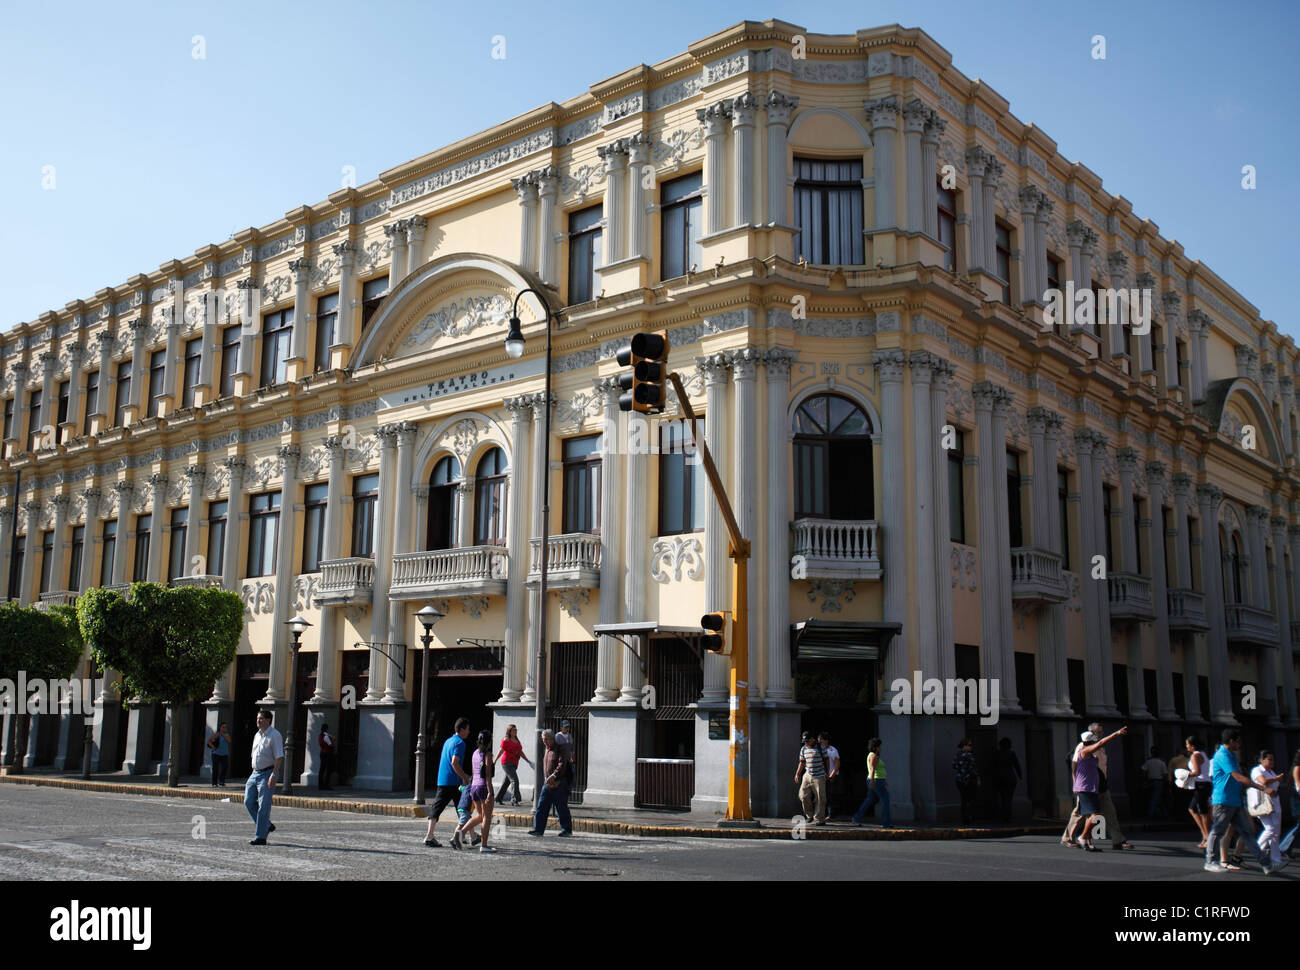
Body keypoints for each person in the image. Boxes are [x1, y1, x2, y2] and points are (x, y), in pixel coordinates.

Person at [1204, 728, 1280, 874]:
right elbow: (1238, 777)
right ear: (1231, 741)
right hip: (1223, 801)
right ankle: (1210, 861)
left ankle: (1266, 864)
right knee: (1217, 831)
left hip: (1234, 801)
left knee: (1247, 833)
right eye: (1238, 741)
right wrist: (1262, 788)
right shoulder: (1222, 755)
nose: (1240, 744)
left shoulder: (1231, 755)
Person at [1061, 722, 1133, 850]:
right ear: (1092, 734)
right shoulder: (1083, 747)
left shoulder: (1100, 748)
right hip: (1086, 786)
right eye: (1099, 732)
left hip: (1100, 784)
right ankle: (1069, 838)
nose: (1101, 734)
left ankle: (1117, 840)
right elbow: (1074, 765)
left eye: (1101, 732)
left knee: (1109, 811)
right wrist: (1075, 782)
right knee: (1081, 813)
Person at [423, 717, 472, 848]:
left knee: (437, 808)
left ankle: (429, 835)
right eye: (467, 729)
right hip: (453, 781)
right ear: (462, 729)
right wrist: (465, 777)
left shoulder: (448, 741)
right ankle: (463, 836)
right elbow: (455, 762)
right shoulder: (460, 743)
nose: (469, 732)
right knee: (464, 809)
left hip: (442, 779)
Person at [245, 710, 283, 846]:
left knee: (263, 806)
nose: (258, 721)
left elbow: (279, 756)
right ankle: (266, 824)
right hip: (255, 773)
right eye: (257, 718)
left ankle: (261, 837)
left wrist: (274, 774)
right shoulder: (257, 735)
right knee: (248, 801)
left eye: (261, 718)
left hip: (267, 773)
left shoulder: (274, 735)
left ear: (268, 720)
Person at [455, 730, 496, 853]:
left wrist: (472, 788)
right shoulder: (488, 754)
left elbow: (474, 773)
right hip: (484, 787)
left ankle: (461, 833)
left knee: (480, 815)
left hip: (474, 787)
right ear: (489, 741)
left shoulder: (475, 753)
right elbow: (487, 775)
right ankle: (484, 845)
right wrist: (490, 792)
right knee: (486, 818)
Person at [528, 729, 572, 838]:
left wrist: (554, 775)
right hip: (548, 784)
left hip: (559, 783)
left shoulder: (560, 749)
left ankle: (566, 830)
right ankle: (538, 829)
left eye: (546, 739)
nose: (544, 741)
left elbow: (562, 764)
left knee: (561, 807)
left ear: (552, 739)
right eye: (543, 739)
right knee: (542, 806)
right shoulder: (547, 749)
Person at [1249, 749, 1284, 870]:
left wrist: (1276, 779)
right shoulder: (1257, 770)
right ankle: (1257, 850)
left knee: (1276, 832)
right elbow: (1262, 781)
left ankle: (1276, 859)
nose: (1272, 762)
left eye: (1273, 759)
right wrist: (1276, 779)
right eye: (1269, 759)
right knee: (1270, 829)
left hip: (1274, 802)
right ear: (1261, 760)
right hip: (1262, 803)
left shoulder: (1272, 772)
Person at [851, 738, 890, 828]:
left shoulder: (872, 755)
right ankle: (886, 823)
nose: (881, 748)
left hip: (877, 780)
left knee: (870, 799)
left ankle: (857, 817)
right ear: (876, 747)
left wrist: (884, 781)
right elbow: (872, 768)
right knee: (885, 800)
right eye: (879, 746)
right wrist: (872, 780)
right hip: (876, 780)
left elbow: (877, 769)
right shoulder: (873, 756)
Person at [794, 732, 830, 825]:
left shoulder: (820, 747)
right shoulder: (803, 749)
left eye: (807, 741)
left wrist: (827, 772)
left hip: (819, 776)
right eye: (804, 741)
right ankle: (809, 815)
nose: (806, 743)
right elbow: (802, 762)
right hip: (807, 775)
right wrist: (797, 774)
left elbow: (826, 760)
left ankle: (819, 818)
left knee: (820, 798)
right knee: (803, 795)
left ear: (812, 739)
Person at [494, 723, 532, 806]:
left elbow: (520, 752)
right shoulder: (506, 740)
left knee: (506, 782)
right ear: (510, 731)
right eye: (514, 730)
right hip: (506, 763)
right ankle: (514, 800)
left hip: (514, 763)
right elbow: (501, 751)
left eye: (516, 730)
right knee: (515, 780)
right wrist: (495, 760)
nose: (515, 731)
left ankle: (498, 798)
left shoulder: (517, 741)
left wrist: (527, 760)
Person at [1185, 736, 1212, 849]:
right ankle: (1205, 834)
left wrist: (1185, 774)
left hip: (1201, 784)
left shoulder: (1195, 755)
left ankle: (1207, 836)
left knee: (1202, 812)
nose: (1186, 747)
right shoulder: (1203, 754)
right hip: (1204, 783)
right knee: (1193, 809)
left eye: (1187, 744)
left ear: (1192, 746)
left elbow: (1197, 772)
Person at [995, 737, 1022, 822]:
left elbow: (993, 765)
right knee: (1009, 798)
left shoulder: (998, 753)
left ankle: (1004, 815)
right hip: (1010, 777)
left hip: (1000, 777)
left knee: (1003, 797)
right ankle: (1007, 815)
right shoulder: (1011, 753)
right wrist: (1020, 775)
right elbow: (1016, 765)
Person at [952, 738, 979, 825]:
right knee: (969, 799)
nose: (971, 747)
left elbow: (954, 766)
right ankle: (968, 817)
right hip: (968, 779)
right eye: (969, 745)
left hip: (959, 779)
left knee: (963, 798)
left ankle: (964, 817)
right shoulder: (969, 755)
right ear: (964, 745)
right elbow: (972, 768)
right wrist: (977, 777)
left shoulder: (957, 755)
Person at [1281, 749, 1300, 858]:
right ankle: (1283, 847)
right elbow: (1298, 786)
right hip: (1298, 799)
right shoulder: (1297, 768)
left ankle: (1285, 848)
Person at [818, 732, 841, 821]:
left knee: (831, 796)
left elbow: (837, 764)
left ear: (826, 741)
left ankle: (831, 815)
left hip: (831, 776)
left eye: (821, 741)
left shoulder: (832, 750)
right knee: (823, 795)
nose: (820, 743)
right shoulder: (819, 750)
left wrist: (831, 775)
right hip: (822, 776)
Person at [1141, 746, 1168, 818]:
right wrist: (1166, 782)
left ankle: (1165, 813)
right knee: (1156, 798)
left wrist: (1145, 781)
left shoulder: (1148, 762)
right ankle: (1151, 814)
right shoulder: (1161, 762)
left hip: (1150, 781)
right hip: (1159, 781)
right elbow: (1165, 774)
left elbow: (1144, 771)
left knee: (1156, 797)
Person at [207, 722, 230, 788]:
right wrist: (213, 747)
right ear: (220, 728)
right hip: (216, 754)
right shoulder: (217, 734)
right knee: (215, 768)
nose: (224, 728)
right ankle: (214, 783)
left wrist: (223, 734)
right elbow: (209, 740)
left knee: (225, 767)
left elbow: (229, 741)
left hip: (224, 754)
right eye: (223, 727)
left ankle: (221, 781)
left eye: (225, 727)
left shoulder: (227, 735)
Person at [555, 719, 576, 786]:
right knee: (561, 777)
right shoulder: (557, 736)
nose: (567, 728)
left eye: (568, 727)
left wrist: (572, 757)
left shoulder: (570, 736)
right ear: (561, 728)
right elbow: (555, 750)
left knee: (570, 777)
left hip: (568, 761)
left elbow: (572, 749)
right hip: (560, 761)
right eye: (565, 727)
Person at [318, 723, 336, 791]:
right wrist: (333, 740)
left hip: (322, 753)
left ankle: (320, 785)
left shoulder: (320, 735)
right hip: (327, 754)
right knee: (328, 770)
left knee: (322, 769)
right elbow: (330, 745)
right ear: (326, 729)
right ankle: (326, 785)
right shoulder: (326, 736)